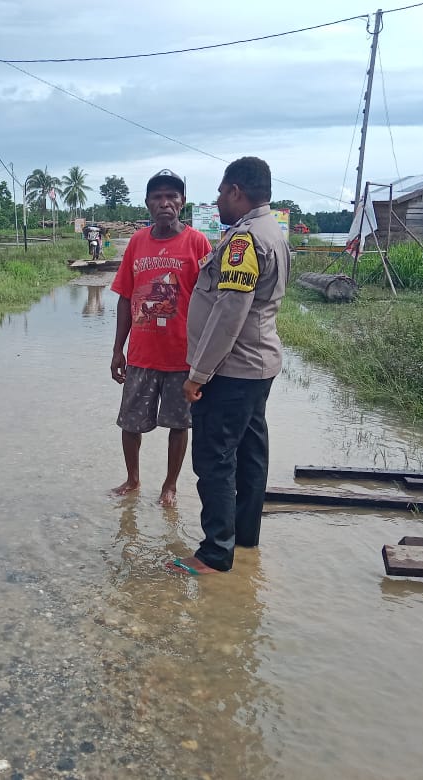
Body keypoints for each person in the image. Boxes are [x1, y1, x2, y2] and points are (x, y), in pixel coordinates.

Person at [168, 156, 291, 575]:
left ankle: (215, 554)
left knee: (215, 458)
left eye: (221, 192)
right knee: (251, 453)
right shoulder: (270, 229)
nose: (218, 200)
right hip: (259, 367)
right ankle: (244, 538)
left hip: (233, 369)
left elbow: (229, 312)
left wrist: (198, 374)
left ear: (236, 191)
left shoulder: (243, 241)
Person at [110, 169, 213, 506]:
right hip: (141, 353)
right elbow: (126, 297)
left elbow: (212, 300)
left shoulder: (197, 243)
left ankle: (170, 485)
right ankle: (132, 479)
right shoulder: (137, 242)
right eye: (157, 197)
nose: (165, 203)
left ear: (182, 203)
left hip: (183, 356)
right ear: (148, 204)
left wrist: (205, 359)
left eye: (172, 196)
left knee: (179, 424)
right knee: (130, 423)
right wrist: (117, 350)